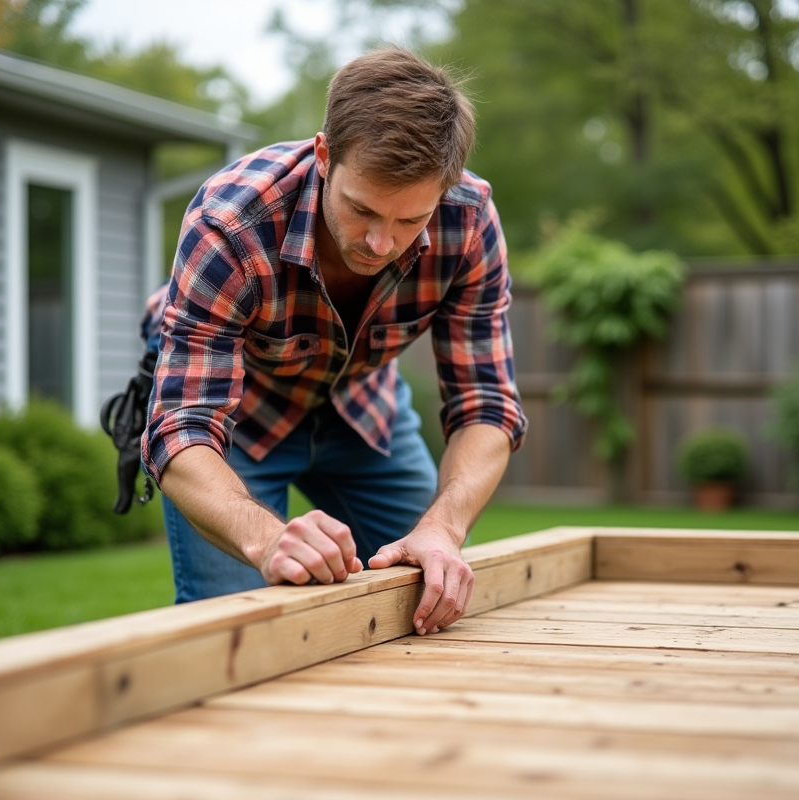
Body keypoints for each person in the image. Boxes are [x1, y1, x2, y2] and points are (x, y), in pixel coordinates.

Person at [141, 47, 526, 637]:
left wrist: (444, 529)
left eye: (409, 221)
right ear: (324, 154)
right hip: (234, 416)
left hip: (362, 403)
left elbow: (487, 405)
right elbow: (181, 426)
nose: (380, 243)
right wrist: (269, 539)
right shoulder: (230, 223)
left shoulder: (468, 220)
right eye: (361, 209)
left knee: (426, 599)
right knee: (236, 635)